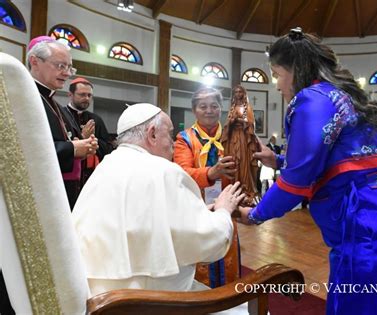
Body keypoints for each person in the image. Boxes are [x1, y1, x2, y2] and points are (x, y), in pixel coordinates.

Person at [239, 28, 377, 314]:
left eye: (276, 74)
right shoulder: (346, 96)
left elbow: (296, 183)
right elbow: (352, 162)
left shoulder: (311, 98)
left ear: (294, 69)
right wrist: (279, 160)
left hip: (373, 230)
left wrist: (256, 215)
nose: (276, 85)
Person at [72, 103, 244, 295]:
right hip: (156, 302)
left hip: (100, 300)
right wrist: (223, 210)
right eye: (169, 134)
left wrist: (199, 210)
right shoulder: (164, 171)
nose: (172, 142)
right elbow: (208, 242)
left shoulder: (104, 168)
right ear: (152, 134)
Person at [173, 87, 241, 288]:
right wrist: (212, 173)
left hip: (227, 206)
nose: (209, 110)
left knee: (228, 254)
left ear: (221, 109)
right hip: (197, 208)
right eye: (203, 106)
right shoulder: (184, 138)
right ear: (194, 110)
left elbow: (244, 168)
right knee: (202, 259)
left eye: (214, 106)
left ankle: (228, 299)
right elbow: (182, 174)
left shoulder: (232, 136)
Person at [27, 36, 98, 209]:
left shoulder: (54, 104)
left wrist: (84, 145)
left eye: (69, 67)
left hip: (64, 192)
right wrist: (73, 148)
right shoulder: (24, 100)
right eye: (60, 66)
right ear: (34, 61)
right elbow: (26, 149)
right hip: (40, 195)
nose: (67, 73)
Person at [66, 77, 114, 185]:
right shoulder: (62, 115)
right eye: (82, 95)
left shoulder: (95, 119)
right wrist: (83, 137)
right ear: (70, 95)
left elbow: (107, 149)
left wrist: (93, 140)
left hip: (91, 176)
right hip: (68, 177)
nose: (87, 98)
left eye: (89, 95)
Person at [221, 85, 261, 206]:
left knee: (244, 163)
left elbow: (250, 124)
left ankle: (247, 189)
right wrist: (232, 121)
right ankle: (235, 189)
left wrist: (241, 121)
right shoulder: (232, 108)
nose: (238, 94)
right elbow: (227, 123)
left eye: (240, 91)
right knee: (234, 162)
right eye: (236, 92)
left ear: (243, 93)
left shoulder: (247, 107)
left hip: (244, 139)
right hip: (233, 138)